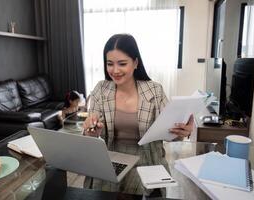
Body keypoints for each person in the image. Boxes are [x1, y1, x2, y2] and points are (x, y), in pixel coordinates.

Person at [83, 34, 194, 195]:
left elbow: (172, 132)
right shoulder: (101, 89)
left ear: (135, 63)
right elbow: (92, 130)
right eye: (109, 64)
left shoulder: (154, 90)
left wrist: (183, 131)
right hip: (111, 160)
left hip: (147, 161)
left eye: (122, 63)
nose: (115, 70)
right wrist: (92, 131)